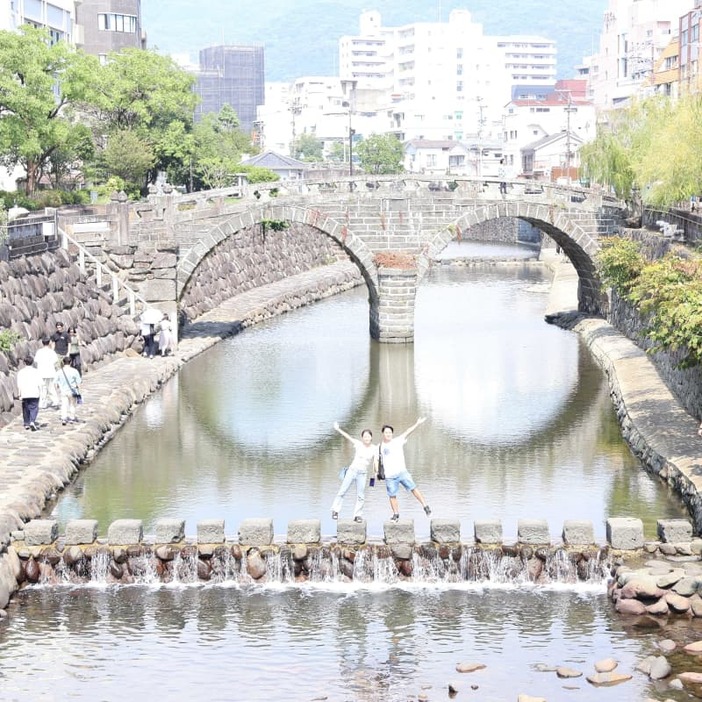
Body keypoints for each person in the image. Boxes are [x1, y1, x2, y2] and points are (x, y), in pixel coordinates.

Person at [380, 417, 431, 522]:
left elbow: (408, 431)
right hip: (389, 475)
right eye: (386, 432)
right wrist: (376, 473)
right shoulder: (380, 446)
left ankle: (425, 506)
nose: (388, 434)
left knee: (413, 487)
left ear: (392, 434)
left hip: (402, 472)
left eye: (390, 432)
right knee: (392, 495)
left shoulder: (398, 441)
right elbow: (377, 461)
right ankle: (396, 514)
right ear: (383, 434)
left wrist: (417, 423)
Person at [331, 422, 378, 523]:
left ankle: (357, 515)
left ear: (371, 437)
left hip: (363, 474)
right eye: (364, 436)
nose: (366, 438)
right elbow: (347, 437)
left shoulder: (374, 448)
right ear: (362, 438)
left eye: (368, 436)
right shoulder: (358, 444)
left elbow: (375, 462)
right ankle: (335, 510)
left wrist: (375, 474)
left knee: (361, 495)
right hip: (352, 471)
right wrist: (338, 429)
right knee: (343, 490)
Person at [54, 356, 82, 426]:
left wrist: (57, 389)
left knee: (64, 405)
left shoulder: (59, 372)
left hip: (63, 391)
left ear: (63, 362)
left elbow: (55, 383)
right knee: (72, 405)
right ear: (71, 362)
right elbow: (78, 382)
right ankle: (72, 418)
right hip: (72, 391)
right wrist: (79, 390)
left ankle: (64, 418)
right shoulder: (74, 371)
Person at [16, 357, 42, 431]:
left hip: (24, 393)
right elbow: (40, 384)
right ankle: (32, 421)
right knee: (34, 408)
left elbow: (19, 385)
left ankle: (26, 423)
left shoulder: (21, 372)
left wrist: (19, 394)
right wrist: (41, 393)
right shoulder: (36, 372)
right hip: (34, 392)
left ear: (24, 363)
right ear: (32, 362)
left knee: (25, 409)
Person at [34, 337, 59, 409]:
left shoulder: (39, 352)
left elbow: (36, 361)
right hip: (51, 372)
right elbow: (55, 361)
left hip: (41, 372)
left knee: (42, 389)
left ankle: (42, 403)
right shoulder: (52, 352)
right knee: (51, 388)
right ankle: (55, 401)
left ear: (42, 343)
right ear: (49, 343)